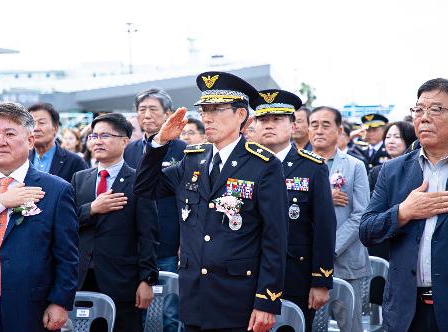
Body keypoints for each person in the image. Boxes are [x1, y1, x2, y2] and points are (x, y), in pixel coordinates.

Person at [133, 71, 288, 332]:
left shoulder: (263, 165)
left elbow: (275, 237)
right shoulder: (193, 158)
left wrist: (267, 301)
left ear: (241, 116)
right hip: (195, 296)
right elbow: (145, 188)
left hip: (238, 298)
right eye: (205, 109)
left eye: (217, 110)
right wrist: (159, 143)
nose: (207, 117)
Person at [360, 78, 448, 332]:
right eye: (418, 110)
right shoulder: (393, 170)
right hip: (405, 311)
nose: (424, 117)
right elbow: (366, 231)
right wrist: (403, 212)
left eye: (436, 109)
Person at [0, 102, 79, 331]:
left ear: (29, 140)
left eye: (9, 133)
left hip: (28, 306)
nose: (0, 141)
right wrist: (1, 202)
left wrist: (60, 302)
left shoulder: (56, 190)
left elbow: (67, 254)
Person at [252, 89, 336, 331]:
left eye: (277, 119)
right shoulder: (246, 165)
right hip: (249, 273)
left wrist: (321, 280)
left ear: (292, 125)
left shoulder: (312, 167)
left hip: (295, 275)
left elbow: (324, 227)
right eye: (263, 120)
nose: (269, 125)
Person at [72, 113, 158, 332]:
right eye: (94, 136)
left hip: (122, 280)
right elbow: (67, 222)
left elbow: (148, 234)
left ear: (125, 140)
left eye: (106, 135)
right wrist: (92, 209)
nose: (98, 141)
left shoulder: (139, 180)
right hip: (83, 277)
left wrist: (147, 280)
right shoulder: (80, 178)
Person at [123, 88, 186, 332]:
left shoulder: (183, 150)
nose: (146, 115)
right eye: (142, 110)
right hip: (135, 241)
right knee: (136, 309)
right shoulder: (130, 149)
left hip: (168, 239)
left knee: (168, 313)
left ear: (169, 114)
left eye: (153, 109)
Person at [309, 106, 372, 332]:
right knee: (311, 324)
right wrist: (325, 195)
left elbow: (361, 214)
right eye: (314, 124)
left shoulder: (355, 166)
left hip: (345, 259)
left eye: (326, 125)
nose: (319, 130)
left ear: (338, 130)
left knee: (350, 325)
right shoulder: (297, 165)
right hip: (306, 260)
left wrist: (327, 248)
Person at [27, 103, 88, 183]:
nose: (35, 128)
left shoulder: (75, 162)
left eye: (41, 123)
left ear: (55, 128)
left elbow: (82, 193)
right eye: (32, 124)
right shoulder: (21, 160)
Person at [368, 121, 417, 193]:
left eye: (397, 137)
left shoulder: (418, 169)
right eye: (388, 137)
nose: (391, 141)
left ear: (409, 140)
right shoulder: (377, 172)